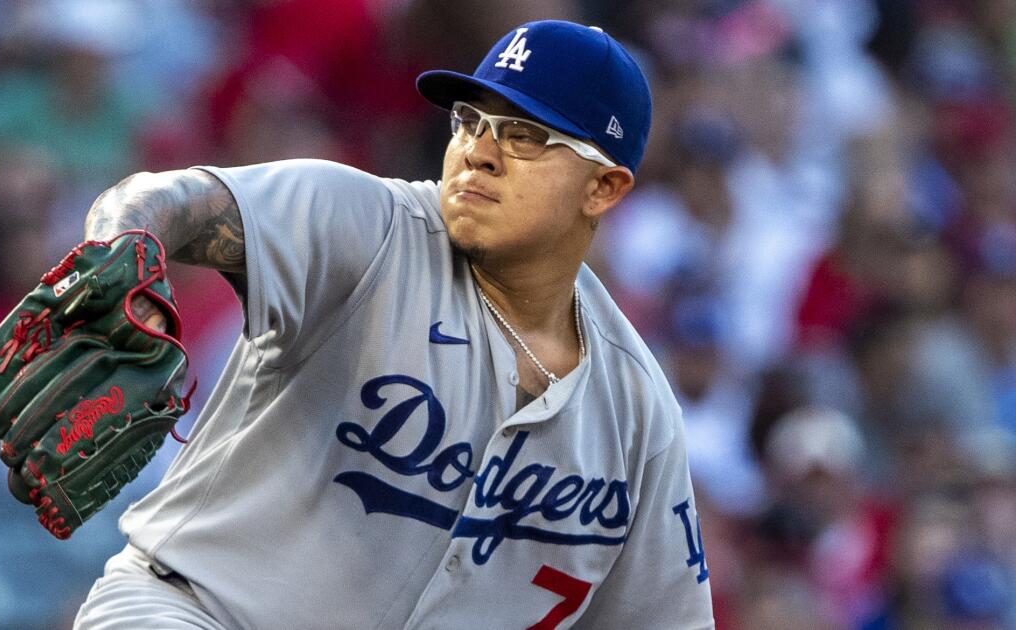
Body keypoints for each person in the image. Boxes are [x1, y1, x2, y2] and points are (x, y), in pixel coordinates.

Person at [74, 20, 714, 629]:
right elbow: (166, 200)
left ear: (603, 188)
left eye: (524, 136)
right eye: (470, 121)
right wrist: (121, 258)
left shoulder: (637, 410)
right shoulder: (368, 225)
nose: (478, 154)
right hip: (191, 610)